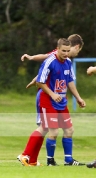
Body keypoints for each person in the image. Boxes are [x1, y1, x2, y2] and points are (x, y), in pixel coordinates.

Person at [18, 35, 85, 166]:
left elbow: (70, 81)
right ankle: (29, 156)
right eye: (63, 51)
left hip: (61, 100)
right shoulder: (51, 59)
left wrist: (78, 98)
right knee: (47, 128)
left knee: (67, 130)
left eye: (67, 51)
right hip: (47, 98)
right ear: (58, 49)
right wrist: (52, 93)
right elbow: (41, 78)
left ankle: (64, 160)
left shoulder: (68, 62)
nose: (66, 53)